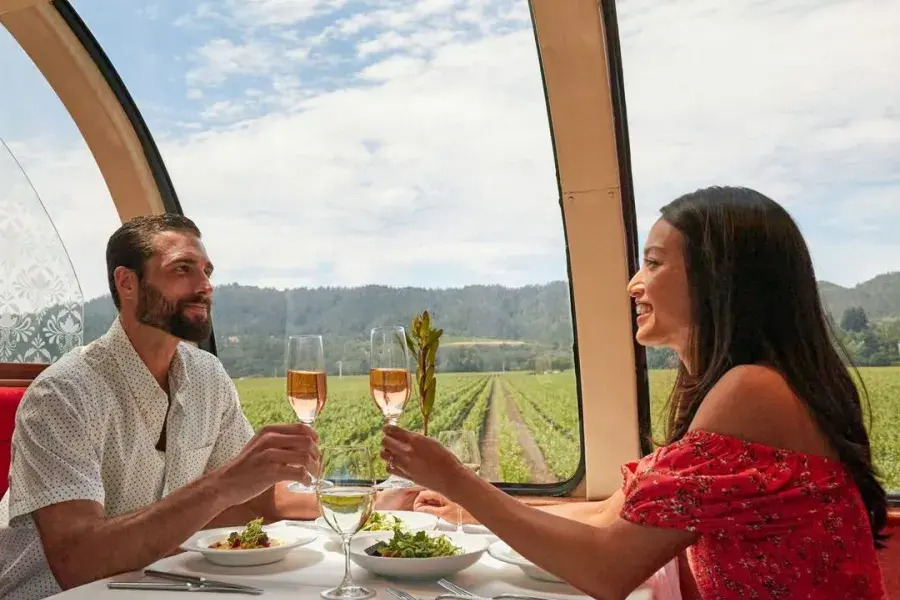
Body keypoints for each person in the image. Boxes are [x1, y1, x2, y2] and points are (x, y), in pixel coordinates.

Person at [383, 187, 888, 599]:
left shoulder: (753, 391)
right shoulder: (751, 387)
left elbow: (609, 569)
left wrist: (456, 479)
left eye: (653, 263)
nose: (633, 284)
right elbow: (609, 515)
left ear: (718, 279)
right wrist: (468, 508)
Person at [0, 214, 415, 600]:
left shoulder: (206, 376)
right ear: (127, 283)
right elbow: (77, 562)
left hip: (156, 586)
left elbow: (256, 501)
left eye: (207, 271)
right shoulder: (63, 395)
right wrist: (222, 484)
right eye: (183, 269)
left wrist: (373, 502)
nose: (205, 285)